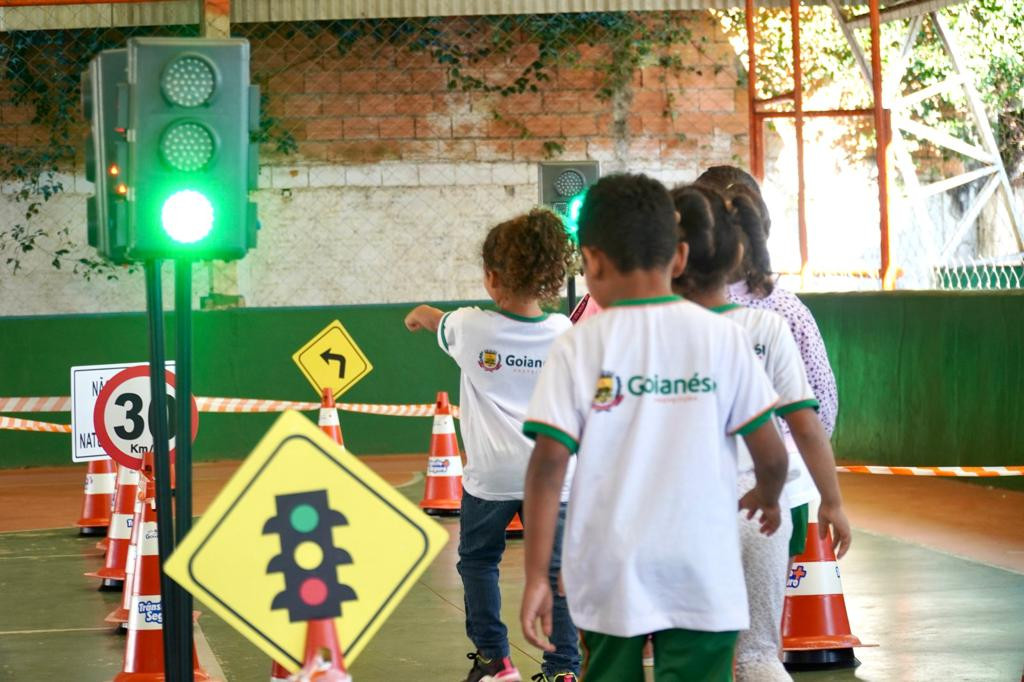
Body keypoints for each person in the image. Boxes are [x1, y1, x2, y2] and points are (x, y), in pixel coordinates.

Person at [518, 173, 790, 682]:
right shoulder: (723, 339)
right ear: (681, 258)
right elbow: (772, 455)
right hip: (703, 568)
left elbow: (546, 469)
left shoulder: (578, 344)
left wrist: (537, 574)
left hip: (607, 567)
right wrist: (769, 497)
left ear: (592, 260)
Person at [670, 183, 852, 681]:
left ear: (672, 257)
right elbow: (806, 423)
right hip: (757, 507)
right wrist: (831, 501)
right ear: (738, 254)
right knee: (756, 656)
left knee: (692, 661)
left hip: (677, 511)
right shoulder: (767, 326)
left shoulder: (647, 328)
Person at [404, 209, 580, 682]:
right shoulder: (565, 333)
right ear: (549, 278)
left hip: (492, 477)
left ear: (490, 276)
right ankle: (564, 669)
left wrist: (418, 315)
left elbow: (431, 318)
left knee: (479, 561)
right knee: (559, 570)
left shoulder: (468, 327)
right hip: (556, 476)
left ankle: (495, 660)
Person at [696, 165, 841, 564]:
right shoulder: (786, 310)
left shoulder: (677, 312)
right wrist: (830, 495)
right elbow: (820, 411)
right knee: (769, 614)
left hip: (695, 487)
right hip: (786, 486)